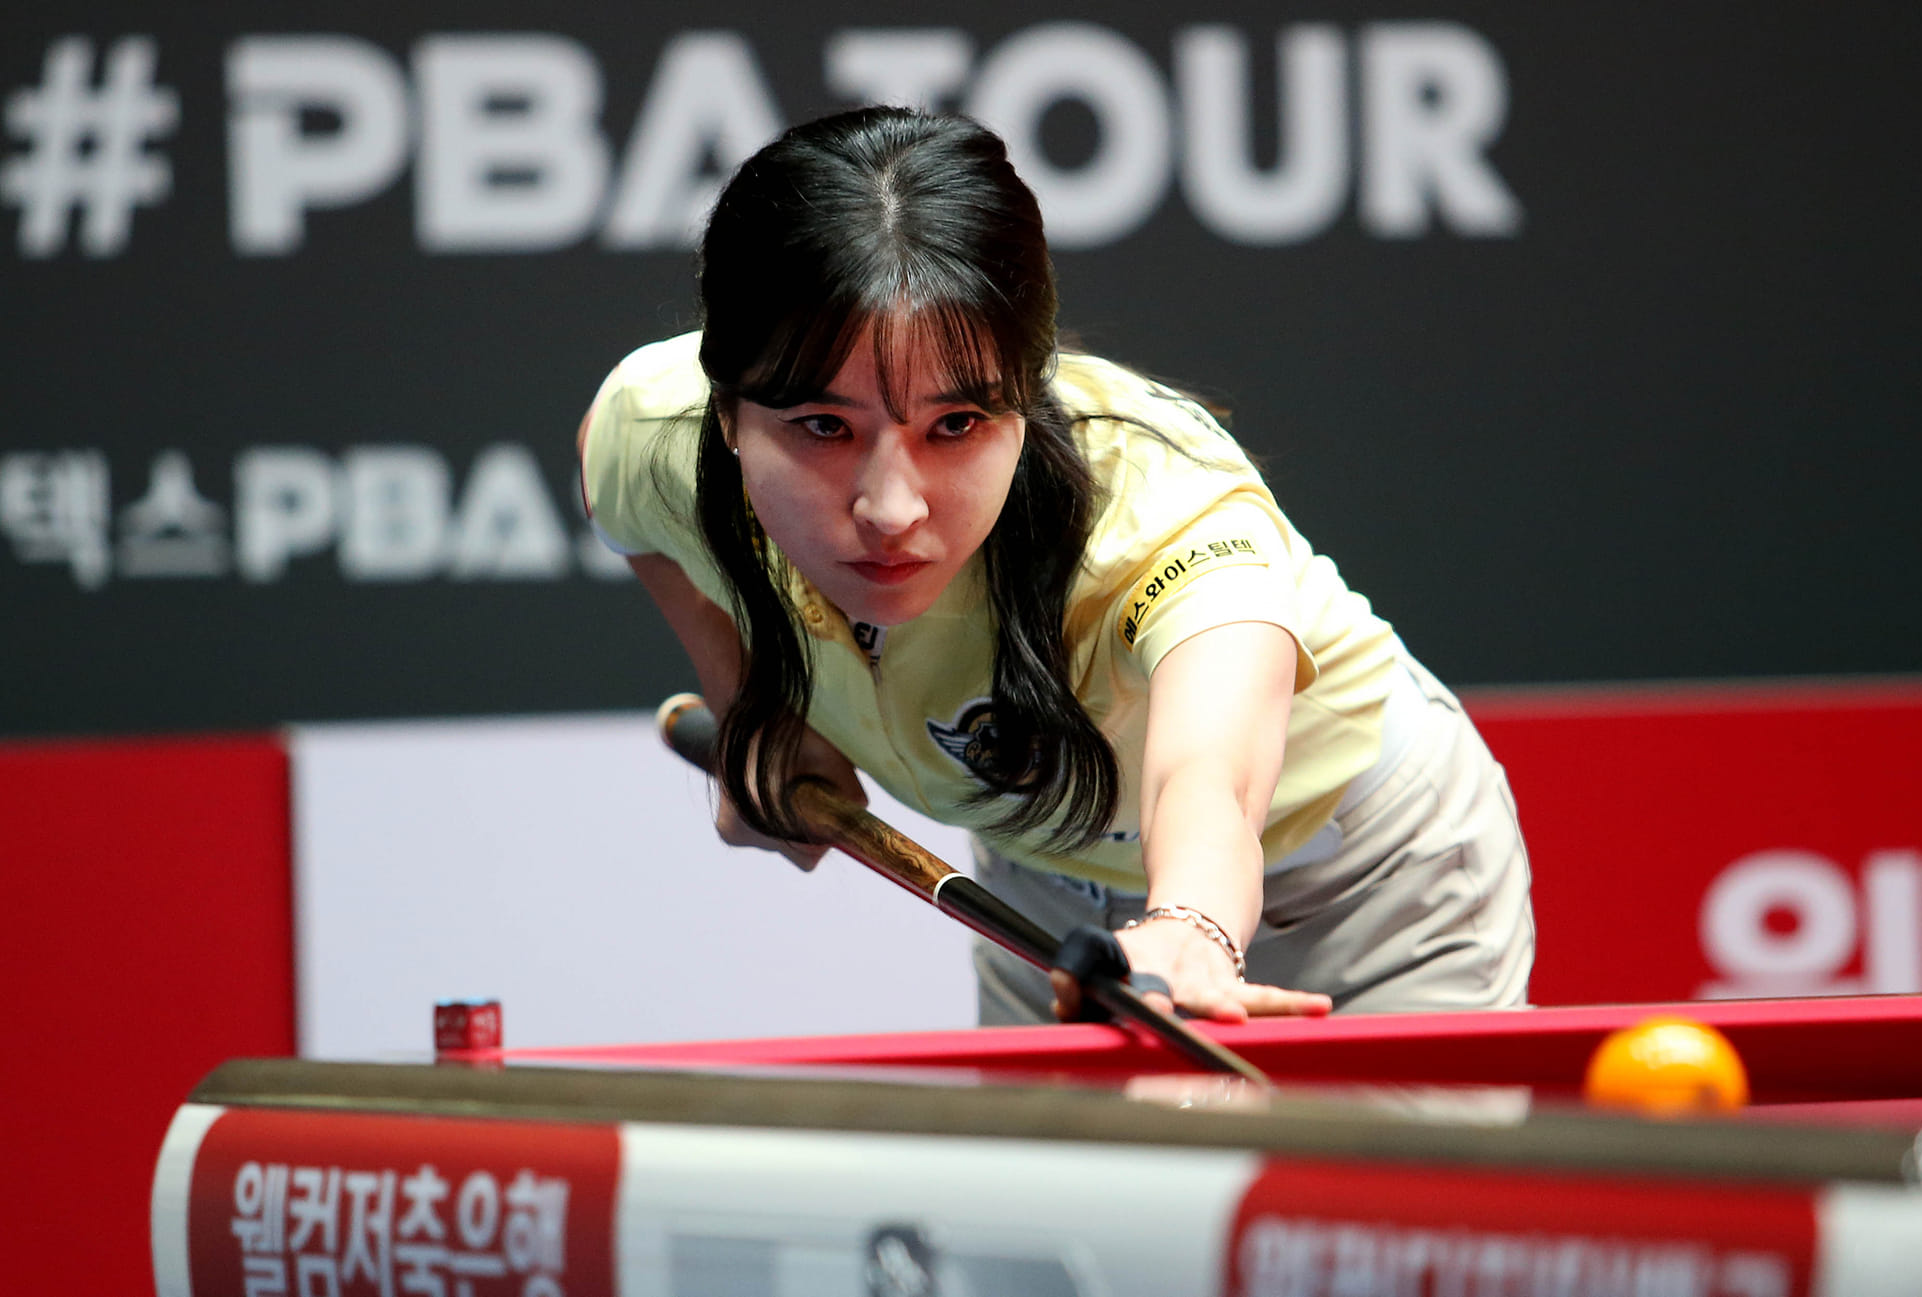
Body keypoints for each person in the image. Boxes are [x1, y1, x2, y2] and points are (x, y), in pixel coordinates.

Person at [579, 107, 1534, 1025]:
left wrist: (1191, 926)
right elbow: (609, 475)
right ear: (727, 412)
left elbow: (1209, 775)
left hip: (1366, 885)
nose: (891, 508)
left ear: (1028, 399)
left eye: (957, 424)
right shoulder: (659, 434)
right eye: (823, 427)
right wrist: (754, 702)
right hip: (1047, 894)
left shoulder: (1164, 513)